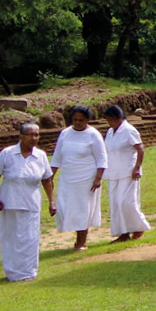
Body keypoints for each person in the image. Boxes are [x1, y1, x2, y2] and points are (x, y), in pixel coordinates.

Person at [0, 122, 56, 282]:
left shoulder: (40, 156)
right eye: (31, 135)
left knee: (29, 238)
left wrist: (51, 201)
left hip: (31, 204)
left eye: (37, 135)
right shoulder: (7, 153)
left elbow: (47, 180)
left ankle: (28, 272)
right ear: (21, 136)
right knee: (11, 237)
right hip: (10, 203)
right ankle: (12, 273)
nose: (34, 138)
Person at [52, 104, 106, 249]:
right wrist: (50, 176)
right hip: (67, 177)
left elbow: (102, 158)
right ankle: (75, 234)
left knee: (82, 209)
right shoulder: (65, 133)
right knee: (64, 206)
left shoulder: (93, 135)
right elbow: (57, 157)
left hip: (86, 178)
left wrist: (98, 178)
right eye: (75, 120)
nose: (77, 123)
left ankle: (81, 241)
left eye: (81, 120)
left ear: (87, 120)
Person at [101, 104, 150, 242]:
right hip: (113, 172)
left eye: (111, 120)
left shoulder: (129, 130)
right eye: (108, 121)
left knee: (127, 202)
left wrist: (137, 167)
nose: (109, 123)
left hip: (128, 171)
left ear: (119, 118)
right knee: (116, 203)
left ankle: (138, 226)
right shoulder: (110, 132)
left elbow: (140, 149)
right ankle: (123, 233)